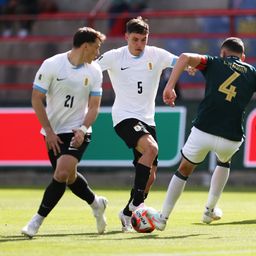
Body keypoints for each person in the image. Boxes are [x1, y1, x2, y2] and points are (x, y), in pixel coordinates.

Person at [153, 37, 256, 231]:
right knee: (224, 161)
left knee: (184, 170)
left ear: (223, 53)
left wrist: (169, 86)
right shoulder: (251, 72)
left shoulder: (214, 61)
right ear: (243, 57)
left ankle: (163, 217)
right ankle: (210, 209)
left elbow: (184, 57)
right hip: (231, 137)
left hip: (203, 130)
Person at [21, 27, 108, 238]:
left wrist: (84, 128)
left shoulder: (94, 71)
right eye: (96, 48)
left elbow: (94, 106)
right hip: (53, 132)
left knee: (60, 173)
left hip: (78, 130)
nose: (98, 53)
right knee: (68, 177)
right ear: (85, 46)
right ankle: (96, 204)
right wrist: (49, 131)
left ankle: (36, 222)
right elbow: (36, 99)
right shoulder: (52, 65)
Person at [97, 16, 179, 232]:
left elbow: (180, 61)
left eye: (143, 40)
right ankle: (135, 206)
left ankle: (126, 214)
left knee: (150, 177)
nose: (140, 45)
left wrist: (189, 67)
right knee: (151, 148)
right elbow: (92, 69)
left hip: (148, 119)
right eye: (135, 40)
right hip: (124, 117)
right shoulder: (115, 57)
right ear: (126, 37)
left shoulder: (156, 54)